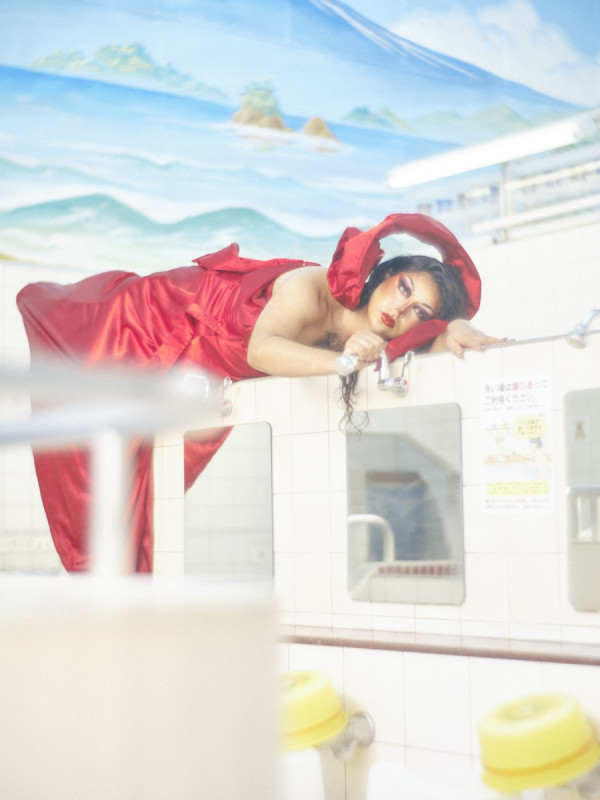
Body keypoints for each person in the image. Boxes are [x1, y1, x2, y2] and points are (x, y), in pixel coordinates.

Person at [16, 212, 502, 573]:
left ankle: (124, 627)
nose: (403, 309)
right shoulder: (309, 287)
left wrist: (451, 329)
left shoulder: (380, 338)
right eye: (403, 288)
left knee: (142, 503)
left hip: (198, 372)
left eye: (419, 310)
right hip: (158, 323)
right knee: (95, 466)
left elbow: (416, 347)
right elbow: (263, 351)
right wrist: (346, 362)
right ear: (382, 277)